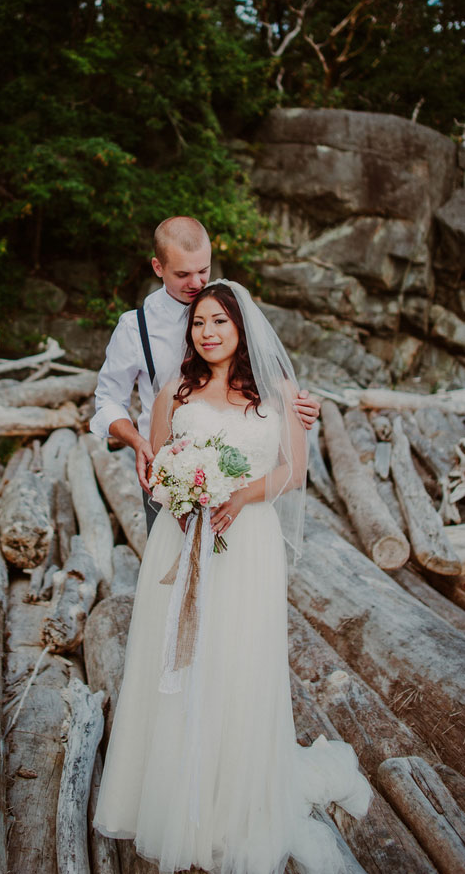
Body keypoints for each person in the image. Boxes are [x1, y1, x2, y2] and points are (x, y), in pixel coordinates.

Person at [93, 280, 371, 874]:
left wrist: (237, 496)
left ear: (242, 327)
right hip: (182, 538)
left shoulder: (279, 394)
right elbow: (160, 465)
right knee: (177, 659)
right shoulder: (175, 390)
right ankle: (172, 797)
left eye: (219, 321)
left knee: (235, 660)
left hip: (246, 544)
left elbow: (291, 473)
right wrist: (178, 489)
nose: (208, 332)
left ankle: (227, 799)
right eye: (198, 324)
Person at [90, 216, 320, 534]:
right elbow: (107, 401)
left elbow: (265, 375)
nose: (196, 284)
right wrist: (137, 441)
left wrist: (303, 405)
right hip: (169, 478)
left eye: (203, 271)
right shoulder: (135, 328)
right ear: (158, 267)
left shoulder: (230, 308)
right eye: (183, 274)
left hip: (241, 484)